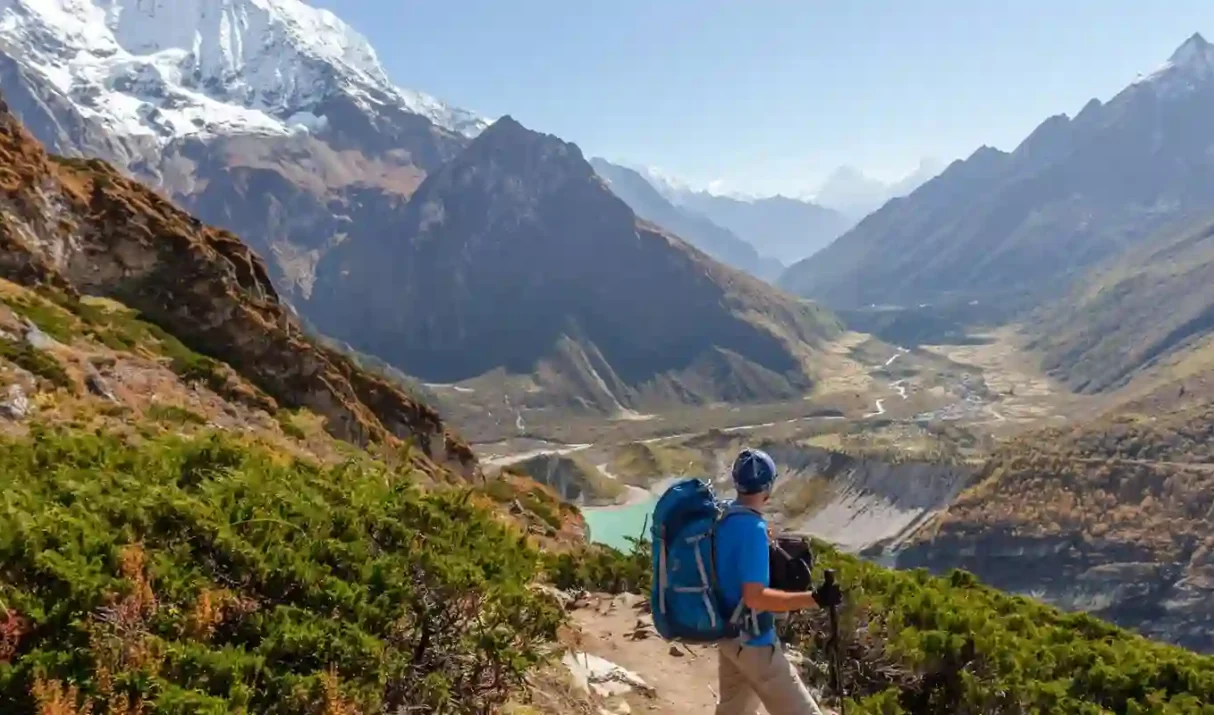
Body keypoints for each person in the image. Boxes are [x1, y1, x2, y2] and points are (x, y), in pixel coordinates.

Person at [713, 448, 837, 715]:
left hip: (728, 635)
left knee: (734, 711)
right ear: (768, 487)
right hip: (754, 642)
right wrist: (814, 598)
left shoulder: (723, 518)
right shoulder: (753, 529)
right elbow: (755, 597)